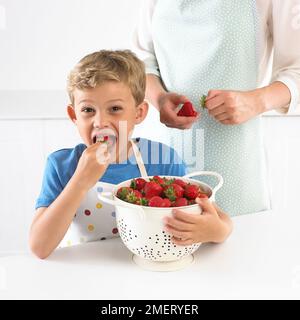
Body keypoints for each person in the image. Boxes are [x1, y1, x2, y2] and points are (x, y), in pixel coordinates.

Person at [30, 50, 232, 259]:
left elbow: (221, 221)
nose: (100, 122)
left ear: (138, 113)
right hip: (85, 276)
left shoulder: (163, 160)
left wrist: (216, 231)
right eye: (88, 110)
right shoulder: (61, 165)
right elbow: (39, 247)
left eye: (115, 108)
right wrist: (80, 181)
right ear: (74, 116)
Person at [133, 0, 300, 217]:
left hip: (234, 161)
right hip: (165, 152)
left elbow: (296, 69)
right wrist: (159, 98)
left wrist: (256, 101)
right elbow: (141, 61)